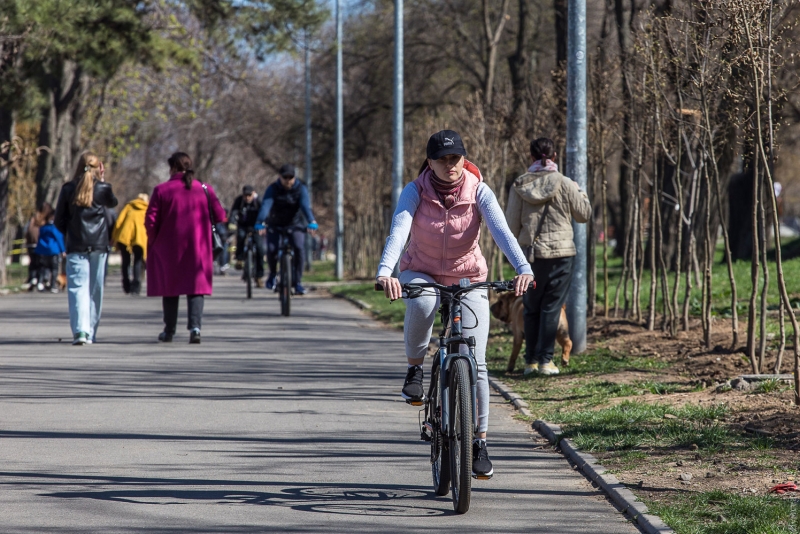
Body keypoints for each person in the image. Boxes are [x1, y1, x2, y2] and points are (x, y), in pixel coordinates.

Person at [376, 130, 534, 478]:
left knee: (476, 362)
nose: (451, 165)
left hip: (469, 276)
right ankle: (415, 369)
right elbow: (398, 231)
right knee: (422, 303)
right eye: (443, 159)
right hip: (422, 271)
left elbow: (502, 232)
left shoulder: (479, 190)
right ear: (429, 162)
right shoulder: (415, 191)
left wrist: (523, 267)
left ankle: (479, 442)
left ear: (464, 158)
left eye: (456, 158)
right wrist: (385, 271)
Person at [505, 137, 592, 376]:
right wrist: (579, 190)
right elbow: (584, 214)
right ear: (554, 157)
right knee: (551, 307)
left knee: (531, 307)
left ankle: (530, 362)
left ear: (531, 158)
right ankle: (546, 361)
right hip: (561, 255)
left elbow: (510, 226)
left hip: (530, 257)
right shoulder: (564, 183)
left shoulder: (520, 185)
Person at [145, 152, 227, 344]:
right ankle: (195, 328)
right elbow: (221, 215)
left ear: (173, 168)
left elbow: (151, 220)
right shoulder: (205, 189)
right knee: (196, 288)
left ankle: (169, 330)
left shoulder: (161, 190)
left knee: (170, 288)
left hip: (169, 248)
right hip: (198, 246)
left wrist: (155, 240)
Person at [54, 152, 119, 345]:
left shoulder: (68, 189)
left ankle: (80, 331)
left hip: (76, 245)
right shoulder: (103, 189)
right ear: (98, 167)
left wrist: (70, 233)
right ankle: (90, 331)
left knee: (77, 289)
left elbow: (58, 221)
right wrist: (103, 179)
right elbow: (113, 203)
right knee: (95, 289)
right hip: (99, 245)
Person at [256, 163, 318, 295]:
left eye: (291, 177)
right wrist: (260, 221)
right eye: (285, 177)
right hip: (275, 224)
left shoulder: (301, 189)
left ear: (295, 178)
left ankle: (298, 282)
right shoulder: (273, 188)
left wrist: (311, 221)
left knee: (299, 248)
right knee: (272, 250)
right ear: (280, 177)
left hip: (295, 224)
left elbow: (305, 206)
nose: (288, 180)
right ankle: (272, 274)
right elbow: (266, 206)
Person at [113, 193, 149, 295]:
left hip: (125, 236)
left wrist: (114, 237)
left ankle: (126, 284)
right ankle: (136, 286)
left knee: (125, 261)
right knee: (138, 261)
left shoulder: (129, 206)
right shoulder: (147, 209)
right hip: (140, 238)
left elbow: (119, 222)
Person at [229, 185, 265, 286]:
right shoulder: (239, 201)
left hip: (256, 227)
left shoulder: (259, 201)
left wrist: (265, 223)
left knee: (260, 249)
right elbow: (233, 212)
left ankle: (259, 276)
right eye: (245, 195)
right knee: (240, 237)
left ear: (254, 193)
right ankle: (239, 259)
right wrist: (232, 222)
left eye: (249, 195)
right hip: (243, 226)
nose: (247, 198)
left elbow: (265, 212)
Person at [33, 205, 65, 292]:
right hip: (53, 250)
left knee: (44, 267)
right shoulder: (54, 228)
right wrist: (63, 250)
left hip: (43, 250)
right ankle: (53, 285)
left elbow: (39, 238)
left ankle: (42, 282)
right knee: (54, 268)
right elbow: (59, 238)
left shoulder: (42, 228)